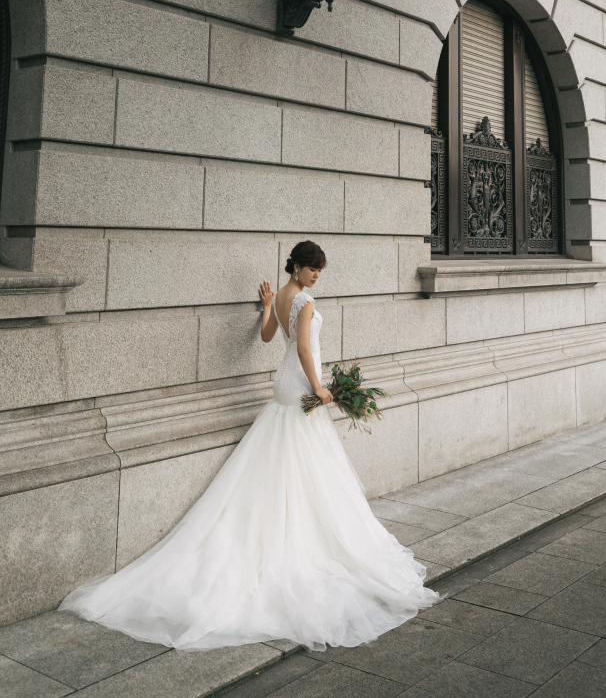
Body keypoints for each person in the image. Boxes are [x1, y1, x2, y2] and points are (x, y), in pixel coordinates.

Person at [59, 241, 438, 652]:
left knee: (289, 454)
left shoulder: (282, 297)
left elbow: (266, 336)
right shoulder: (305, 300)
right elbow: (306, 349)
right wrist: (319, 387)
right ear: (297, 266)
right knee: (305, 456)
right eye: (313, 269)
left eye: (319, 271)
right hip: (299, 384)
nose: (317, 276)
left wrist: (268, 305)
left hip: (282, 384)